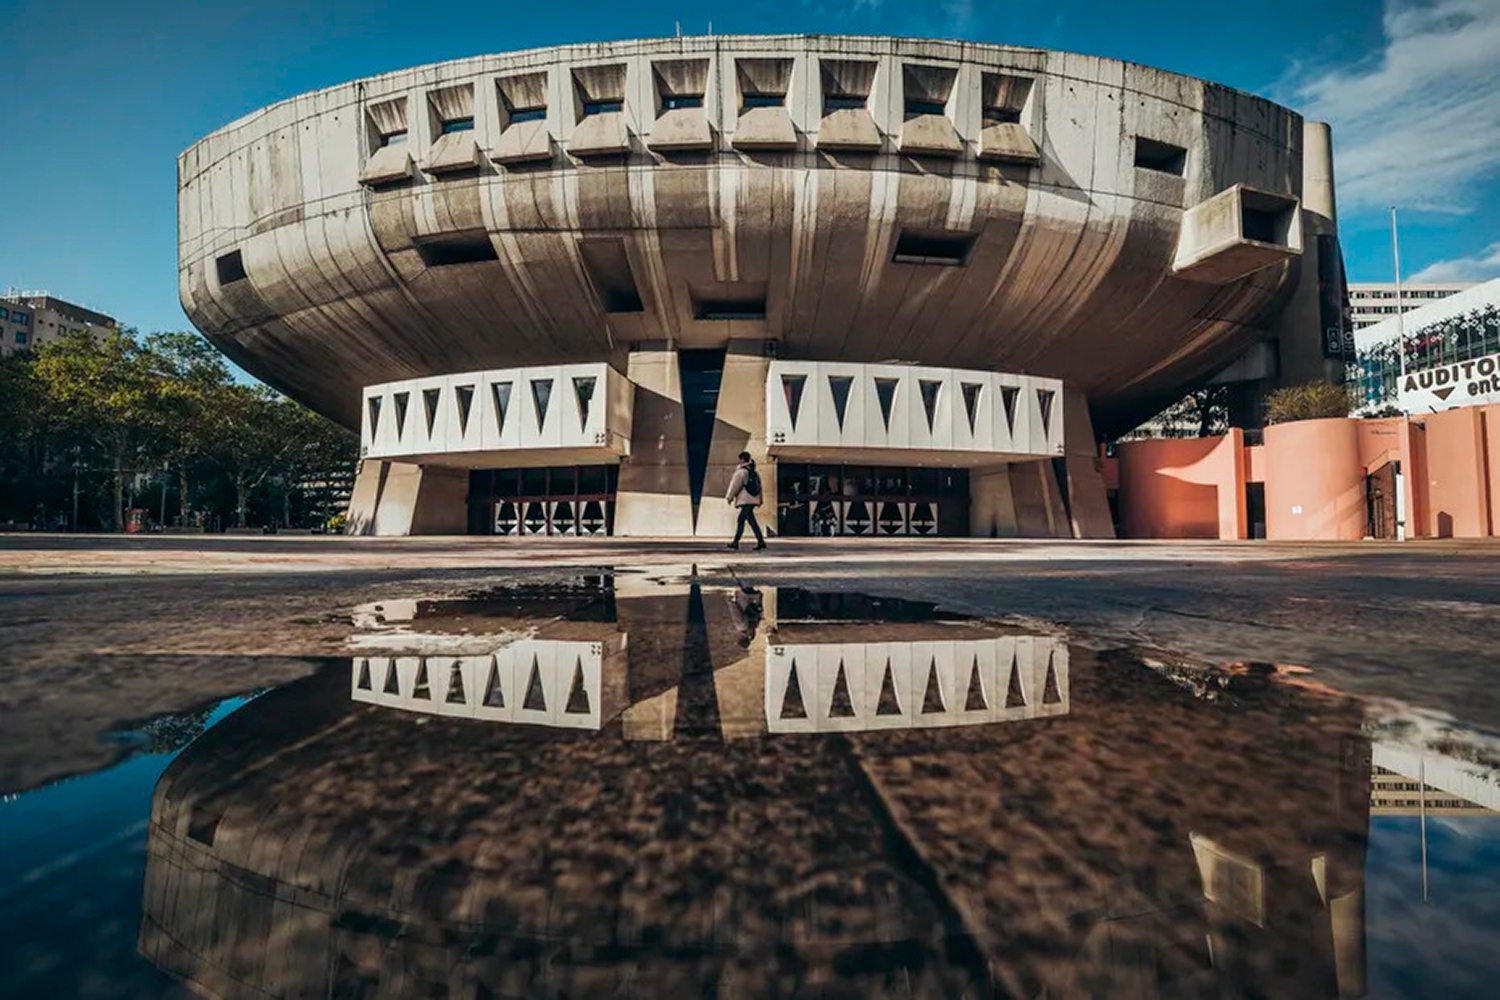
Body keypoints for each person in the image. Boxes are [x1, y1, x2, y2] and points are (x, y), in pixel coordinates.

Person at [725, 451, 766, 551]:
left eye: (740, 459)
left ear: (742, 459)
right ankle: (760, 541)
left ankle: (736, 542)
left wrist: (729, 497)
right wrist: (760, 500)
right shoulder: (754, 472)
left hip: (745, 500)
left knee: (741, 521)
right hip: (753, 500)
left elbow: (735, 486)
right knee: (751, 521)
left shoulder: (741, 472)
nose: (738, 461)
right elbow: (759, 487)